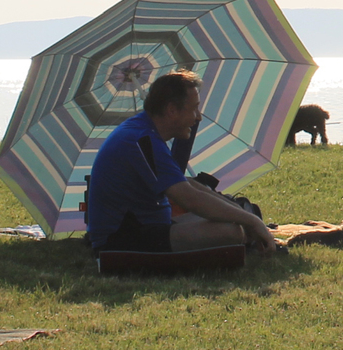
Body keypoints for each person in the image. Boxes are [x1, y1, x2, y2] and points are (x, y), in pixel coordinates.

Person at [86, 70, 279, 254]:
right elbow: (189, 198)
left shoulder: (144, 132)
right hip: (121, 239)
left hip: (151, 226)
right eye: (194, 108)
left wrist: (243, 215)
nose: (198, 117)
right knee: (231, 231)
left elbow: (186, 183)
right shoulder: (141, 140)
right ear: (172, 110)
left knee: (234, 220)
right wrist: (252, 221)